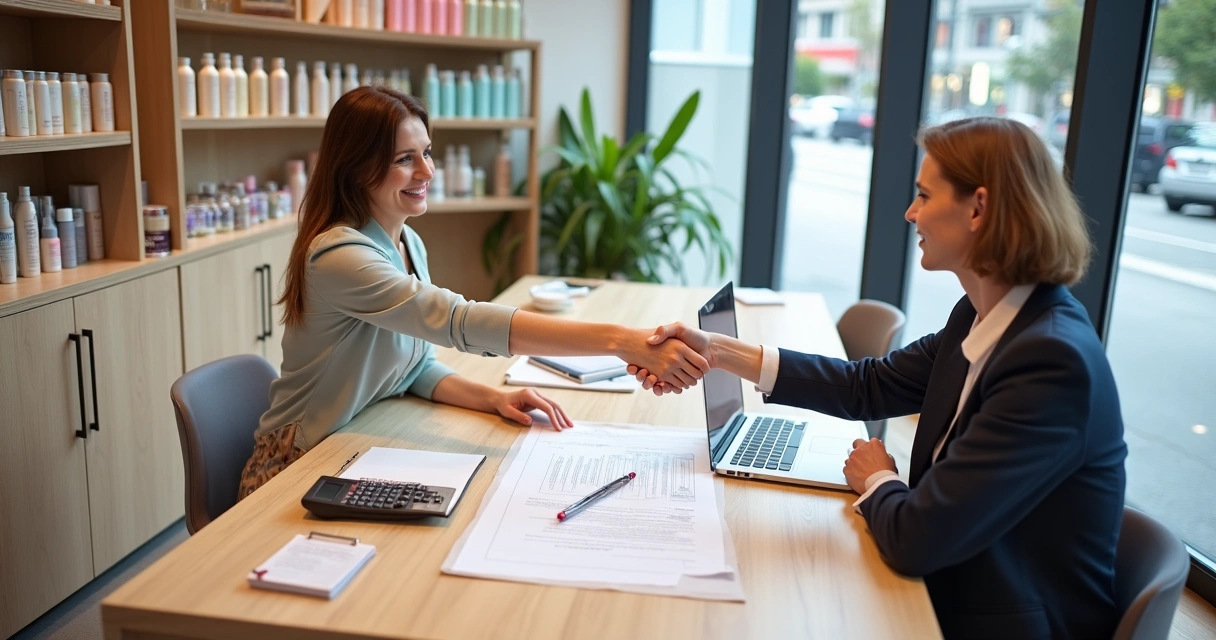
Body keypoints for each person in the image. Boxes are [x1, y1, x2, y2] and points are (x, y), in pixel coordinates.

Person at [628, 117, 1127, 639]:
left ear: (978, 208)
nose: (911, 213)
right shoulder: (983, 315)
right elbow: (866, 385)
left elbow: (919, 539)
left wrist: (877, 478)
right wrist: (720, 351)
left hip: (997, 617)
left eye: (924, 195)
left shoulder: (1050, 363)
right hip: (959, 582)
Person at [238, 86, 708, 499]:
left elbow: (412, 365)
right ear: (357, 169)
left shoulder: (406, 242)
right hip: (295, 465)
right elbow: (456, 321)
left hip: (355, 444)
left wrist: (492, 398)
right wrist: (620, 340)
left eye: (427, 152)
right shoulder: (339, 255)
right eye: (405, 159)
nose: (426, 170)